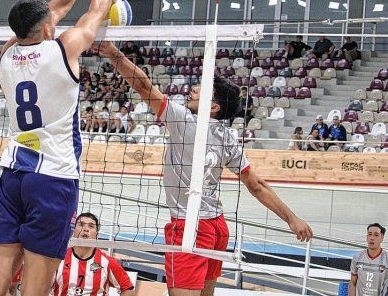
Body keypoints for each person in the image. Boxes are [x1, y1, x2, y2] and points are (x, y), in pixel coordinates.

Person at [92, 41, 313, 296]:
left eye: (202, 89)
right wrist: (292, 219)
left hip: (189, 227)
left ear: (214, 107)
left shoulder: (183, 120)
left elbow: (142, 85)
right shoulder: (228, 136)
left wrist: (112, 53)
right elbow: (256, 185)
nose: (194, 89)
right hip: (217, 226)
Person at [0, 0, 126, 296]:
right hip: (52, 178)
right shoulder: (63, 49)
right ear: (47, 28)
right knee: (36, 289)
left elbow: (49, 13)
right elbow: (94, 15)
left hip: (13, 175)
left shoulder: (5, 54)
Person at [52, 213, 135, 296]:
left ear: (97, 234)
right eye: (81, 225)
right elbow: (43, 285)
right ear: (73, 231)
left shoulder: (108, 262)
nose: (85, 229)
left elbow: (128, 289)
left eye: (91, 226)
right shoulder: (58, 258)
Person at [349, 223, 387, 296]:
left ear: (382, 238)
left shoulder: (386, 258)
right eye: (369, 234)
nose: (372, 238)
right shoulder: (357, 257)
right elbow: (352, 282)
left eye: (376, 235)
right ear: (366, 237)